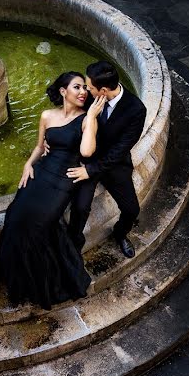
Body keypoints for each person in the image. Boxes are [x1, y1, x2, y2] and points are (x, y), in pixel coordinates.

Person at [0, 72, 106, 309]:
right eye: (77, 87)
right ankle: (19, 280)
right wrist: (27, 164)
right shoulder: (47, 115)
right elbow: (39, 146)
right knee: (14, 217)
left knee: (39, 227)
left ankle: (44, 284)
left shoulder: (86, 118)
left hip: (64, 179)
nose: (83, 91)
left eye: (85, 87)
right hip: (42, 171)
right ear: (63, 91)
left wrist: (93, 117)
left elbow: (86, 152)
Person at [66, 61, 147, 258]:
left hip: (112, 165)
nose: (85, 90)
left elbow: (120, 150)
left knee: (131, 210)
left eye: (89, 87)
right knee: (80, 207)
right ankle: (71, 247)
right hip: (84, 156)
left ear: (102, 90)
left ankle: (120, 234)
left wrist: (91, 170)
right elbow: (68, 112)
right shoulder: (88, 97)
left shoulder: (136, 110)